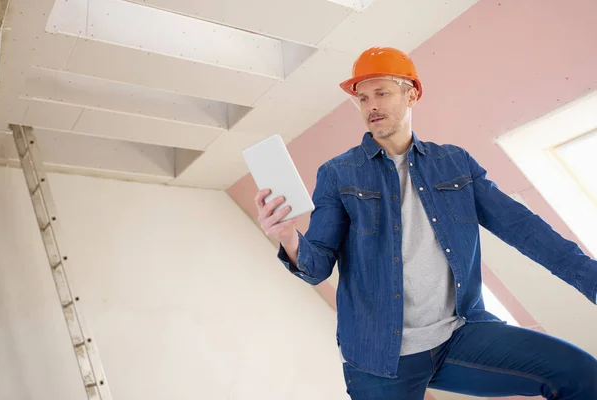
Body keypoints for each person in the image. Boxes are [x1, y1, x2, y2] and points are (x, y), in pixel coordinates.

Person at [254, 47, 597, 399]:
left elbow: (526, 230)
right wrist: (288, 237)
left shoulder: (454, 163)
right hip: (379, 358)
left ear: (412, 94)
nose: (371, 106)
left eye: (382, 93)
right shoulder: (339, 173)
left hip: (457, 336)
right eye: (362, 98)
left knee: (582, 374)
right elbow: (318, 264)